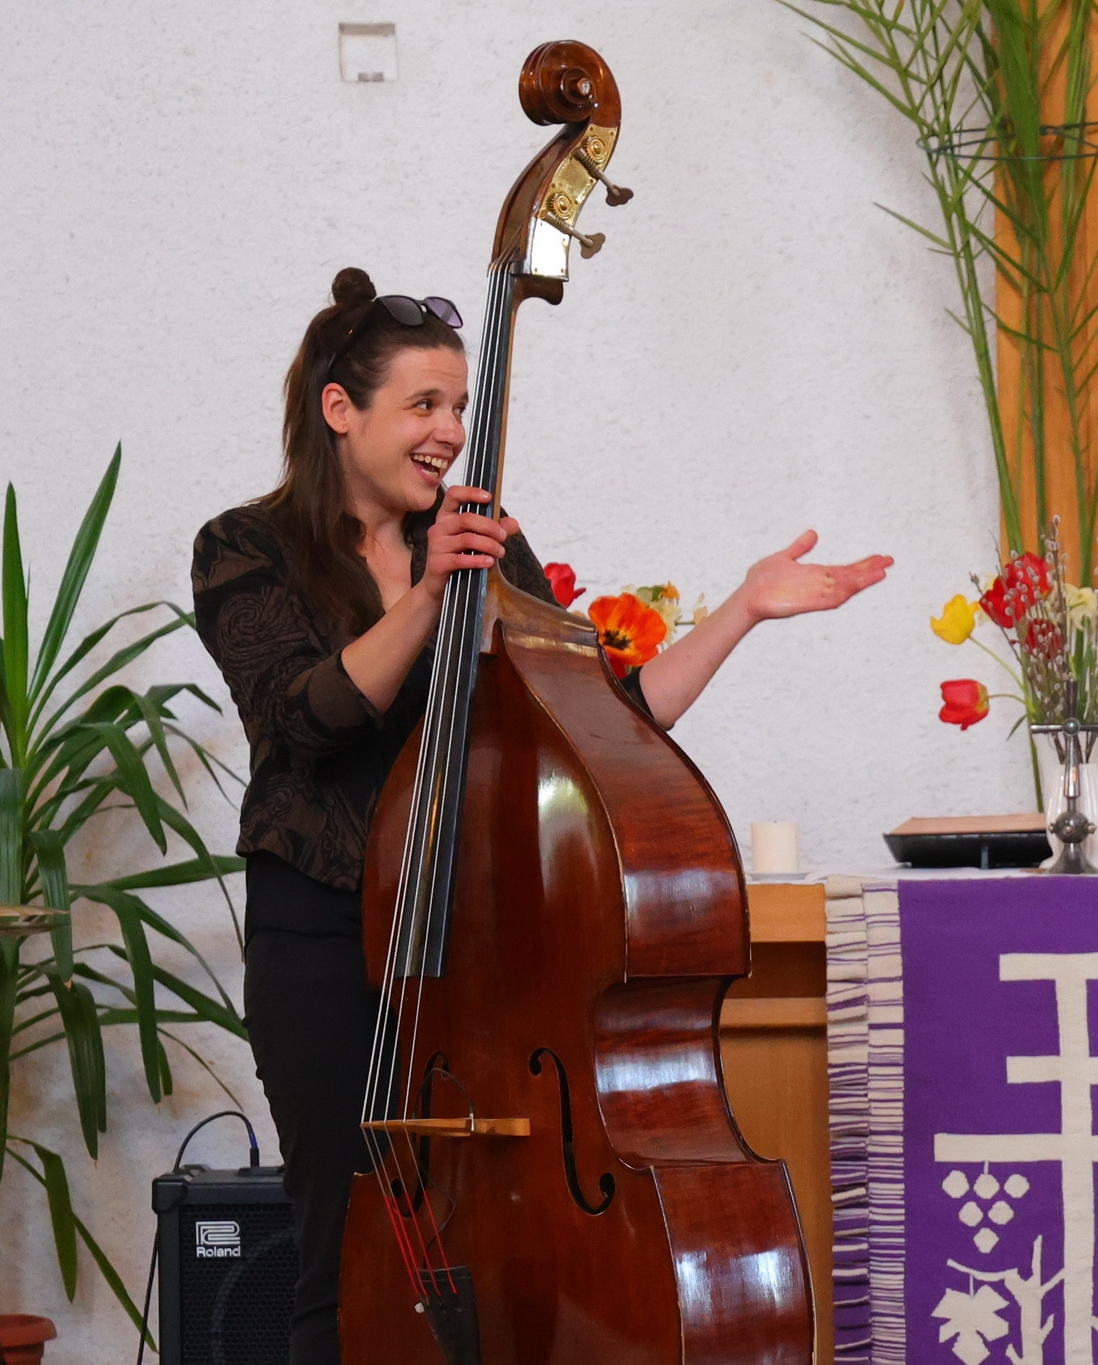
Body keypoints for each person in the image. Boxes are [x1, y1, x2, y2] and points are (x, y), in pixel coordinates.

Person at [192, 267, 892, 1365]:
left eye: (459, 405)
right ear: (341, 409)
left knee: (510, 1244)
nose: (450, 431)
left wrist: (742, 611)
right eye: (423, 405)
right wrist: (431, 594)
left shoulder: (482, 545)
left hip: (477, 951)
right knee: (354, 1249)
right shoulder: (246, 546)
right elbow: (302, 715)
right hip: (327, 938)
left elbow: (600, 719)